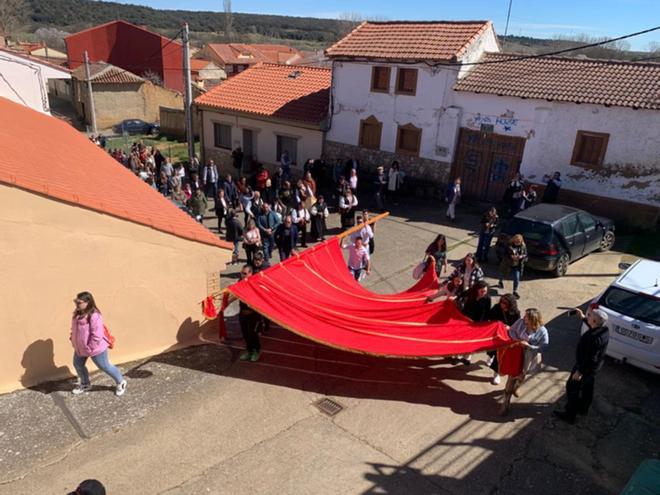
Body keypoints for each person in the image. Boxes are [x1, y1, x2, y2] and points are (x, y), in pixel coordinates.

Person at [554, 308, 610, 424]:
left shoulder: (592, 338)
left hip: (584, 368)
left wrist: (579, 371)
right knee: (587, 389)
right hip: (593, 369)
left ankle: (569, 415)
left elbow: (590, 358)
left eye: (590, 316)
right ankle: (583, 408)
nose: (588, 316)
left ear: (594, 321)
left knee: (572, 388)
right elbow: (593, 328)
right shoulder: (604, 330)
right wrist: (583, 317)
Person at [70, 292, 126, 396]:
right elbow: (74, 329)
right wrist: (72, 338)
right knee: (78, 365)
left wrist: (89, 348)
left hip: (95, 348)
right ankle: (85, 384)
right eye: (75, 302)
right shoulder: (77, 314)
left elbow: (97, 335)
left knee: (105, 366)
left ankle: (120, 382)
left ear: (88, 302)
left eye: (79, 302)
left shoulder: (94, 315)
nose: (76, 304)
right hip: (80, 348)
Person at [500, 308, 549, 415]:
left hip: (530, 357)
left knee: (522, 376)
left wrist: (530, 346)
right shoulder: (520, 322)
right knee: (512, 376)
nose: (523, 318)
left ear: (532, 320)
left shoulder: (542, 331)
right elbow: (512, 331)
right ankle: (506, 402)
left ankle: (516, 387)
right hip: (516, 353)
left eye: (526, 317)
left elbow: (544, 346)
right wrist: (517, 340)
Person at [230, 265, 262, 362]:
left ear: (250, 273)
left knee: (253, 334)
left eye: (244, 274)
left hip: (254, 315)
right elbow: (235, 295)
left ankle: (256, 351)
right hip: (242, 314)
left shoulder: (255, 284)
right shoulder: (240, 282)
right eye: (241, 273)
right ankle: (249, 350)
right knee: (245, 334)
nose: (243, 275)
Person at [487, 294, 520, 385]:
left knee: (500, 355)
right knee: (492, 351)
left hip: (506, 336)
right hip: (495, 334)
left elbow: (517, 326)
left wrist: (509, 327)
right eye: (501, 301)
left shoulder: (516, 313)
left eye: (504, 302)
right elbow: (489, 317)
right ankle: (490, 356)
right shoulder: (497, 308)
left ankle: (496, 373)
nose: (502, 304)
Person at [498, 234, 527, 299]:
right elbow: (504, 253)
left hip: (517, 265)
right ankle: (500, 281)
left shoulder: (523, 246)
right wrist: (510, 257)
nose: (517, 243)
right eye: (516, 242)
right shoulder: (509, 245)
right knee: (503, 273)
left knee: (517, 277)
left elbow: (525, 254)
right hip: (507, 263)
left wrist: (521, 257)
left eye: (518, 242)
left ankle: (514, 291)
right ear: (513, 240)